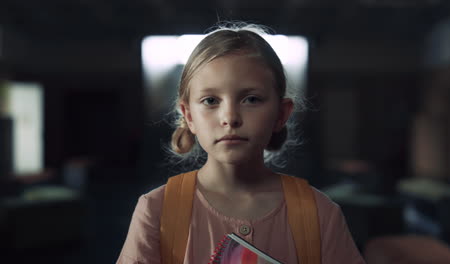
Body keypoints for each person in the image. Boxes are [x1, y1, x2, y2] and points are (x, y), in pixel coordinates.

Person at [117, 23, 365, 264]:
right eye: (211, 100)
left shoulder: (320, 212)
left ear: (281, 114)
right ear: (189, 116)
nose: (230, 118)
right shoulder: (157, 209)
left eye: (251, 99)